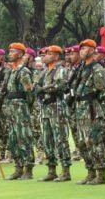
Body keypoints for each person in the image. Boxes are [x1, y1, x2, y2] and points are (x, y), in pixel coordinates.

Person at [0, 42, 35, 180]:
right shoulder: (10, 71)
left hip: (20, 108)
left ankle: (28, 168)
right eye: (10, 51)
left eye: (13, 51)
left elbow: (30, 93)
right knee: (13, 139)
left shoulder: (23, 71)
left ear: (20, 54)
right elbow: (2, 92)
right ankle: (18, 168)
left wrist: (26, 108)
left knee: (24, 138)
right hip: (10, 109)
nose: (10, 54)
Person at [70, 39, 105, 185]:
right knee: (81, 143)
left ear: (92, 51)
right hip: (80, 109)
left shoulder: (97, 68)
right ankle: (90, 171)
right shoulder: (81, 68)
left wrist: (94, 101)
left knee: (94, 141)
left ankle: (100, 173)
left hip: (92, 109)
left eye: (84, 49)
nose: (81, 51)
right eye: (80, 49)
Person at [34, 45, 72, 182]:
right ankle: (51, 169)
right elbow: (35, 86)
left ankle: (66, 170)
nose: (46, 56)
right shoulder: (43, 72)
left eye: (49, 54)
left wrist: (44, 89)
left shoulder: (60, 70)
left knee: (60, 139)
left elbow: (59, 86)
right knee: (47, 139)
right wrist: (43, 89)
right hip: (45, 108)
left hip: (57, 108)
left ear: (56, 56)